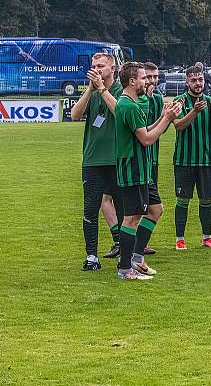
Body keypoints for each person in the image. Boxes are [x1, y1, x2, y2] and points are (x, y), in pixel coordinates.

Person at [113, 62, 180, 280]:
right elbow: (147, 139)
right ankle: (125, 269)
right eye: (143, 78)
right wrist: (168, 120)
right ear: (132, 81)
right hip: (133, 168)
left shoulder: (131, 104)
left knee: (156, 210)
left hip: (142, 169)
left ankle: (136, 258)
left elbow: (146, 130)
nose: (147, 82)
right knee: (131, 218)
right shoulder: (129, 106)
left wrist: (163, 117)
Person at [70, 52, 122, 271]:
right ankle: (91, 256)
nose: (96, 69)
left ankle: (124, 251)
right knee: (90, 208)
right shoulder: (90, 92)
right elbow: (74, 115)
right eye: (94, 65)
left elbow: (120, 113)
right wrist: (91, 89)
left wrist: (102, 88)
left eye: (101, 65)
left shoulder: (121, 90)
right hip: (92, 160)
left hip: (117, 158)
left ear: (112, 69)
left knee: (123, 207)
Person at [172, 64, 211, 250]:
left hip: (206, 160)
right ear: (187, 82)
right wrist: (194, 111)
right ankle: (180, 239)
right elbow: (178, 125)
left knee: (206, 199)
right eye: (193, 80)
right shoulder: (180, 101)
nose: (198, 83)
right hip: (184, 160)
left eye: (200, 79)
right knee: (183, 199)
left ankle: (207, 238)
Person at [137, 62, 164, 256]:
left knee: (150, 206)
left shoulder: (158, 98)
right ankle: (131, 247)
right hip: (138, 160)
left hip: (152, 159)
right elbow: (143, 130)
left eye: (156, 77)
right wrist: (166, 119)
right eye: (149, 77)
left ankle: (139, 245)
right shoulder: (137, 100)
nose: (153, 80)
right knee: (138, 207)